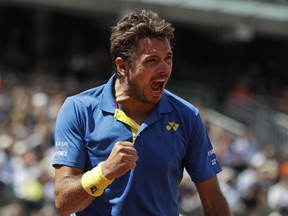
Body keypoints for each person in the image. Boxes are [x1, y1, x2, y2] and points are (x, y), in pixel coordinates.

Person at [53, 9, 231, 216]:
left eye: (168, 58)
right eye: (152, 60)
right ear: (122, 66)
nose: (164, 68)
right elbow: (64, 202)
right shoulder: (78, 109)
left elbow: (213, 201)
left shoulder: (187, 116)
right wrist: (104, 173)